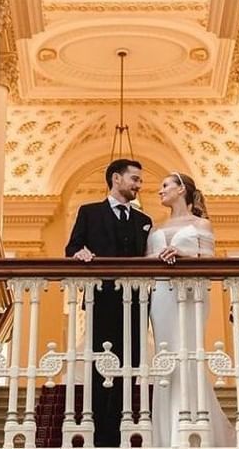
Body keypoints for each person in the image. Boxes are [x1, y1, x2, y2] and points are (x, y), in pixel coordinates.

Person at [65, 159, 153, 447]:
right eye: (135, 179)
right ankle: (100, 434)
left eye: (139, 180)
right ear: (116, 178)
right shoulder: (89, 212)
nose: (139, 185)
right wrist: (80, 254)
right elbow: (72, 247)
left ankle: (121, 429)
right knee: (100, 366)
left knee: (130, 364)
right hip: (101, 303)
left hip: (136, 305)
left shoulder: (144, 222)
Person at [147, 171, 236, 447]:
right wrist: (158, 257)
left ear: (181, 189)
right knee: (166, 357)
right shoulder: (154, 229)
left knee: (188, 352)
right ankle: (166, 435)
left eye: (165, 186)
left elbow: (209, 259)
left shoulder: (201, 224)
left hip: (191, 294)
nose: (159, 191)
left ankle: (195, 430)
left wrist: (183, 255)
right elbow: (146, 261)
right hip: (161, 295)